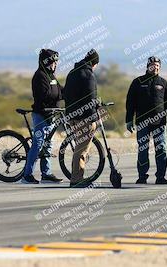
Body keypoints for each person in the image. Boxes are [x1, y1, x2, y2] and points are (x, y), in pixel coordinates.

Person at [125, 56, 167, 184]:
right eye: (153, 65)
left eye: (158, 66)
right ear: (148, 66)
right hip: (142, 122)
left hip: (160, 123)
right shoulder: (138, 82)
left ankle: (161, 177)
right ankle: (142, 176)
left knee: (161, 149)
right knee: (143, 149)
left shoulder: (163, 83)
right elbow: (130, 103)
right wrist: (129, 120)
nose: (156, 68)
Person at [22, 49, 64, 184]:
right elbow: (44, 96)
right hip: (41, 115)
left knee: (49, 144)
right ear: (47, 62)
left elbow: (60, 91)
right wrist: (57, 97)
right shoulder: (40, 76)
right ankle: (27, 175)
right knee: (38, 144)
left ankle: (46, 174)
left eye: (56, 62)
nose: (56, 64)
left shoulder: (51, 76)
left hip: (51, 115)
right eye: (54, 61)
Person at [64, 49, 100, 188]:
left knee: (79, 147)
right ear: (94, 63)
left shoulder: (72, 73)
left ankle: (77, 177)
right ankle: (76, 179)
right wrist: (94, 118)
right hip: (84, 118)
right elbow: (91, 98)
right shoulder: (88, 75)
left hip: (72, 116)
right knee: (81, 150)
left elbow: (66, 94)